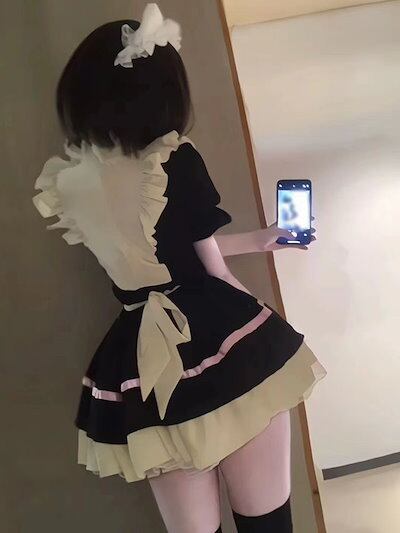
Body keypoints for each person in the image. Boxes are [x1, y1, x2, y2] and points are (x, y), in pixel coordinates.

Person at [33, 4, 327, 532]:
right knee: (268, 525)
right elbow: (212, 272)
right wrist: (261, 328)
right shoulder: (173, 159)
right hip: (217, 341)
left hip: (140, 363)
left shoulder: (71, 184)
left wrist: (257, 239)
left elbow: (158, 256)